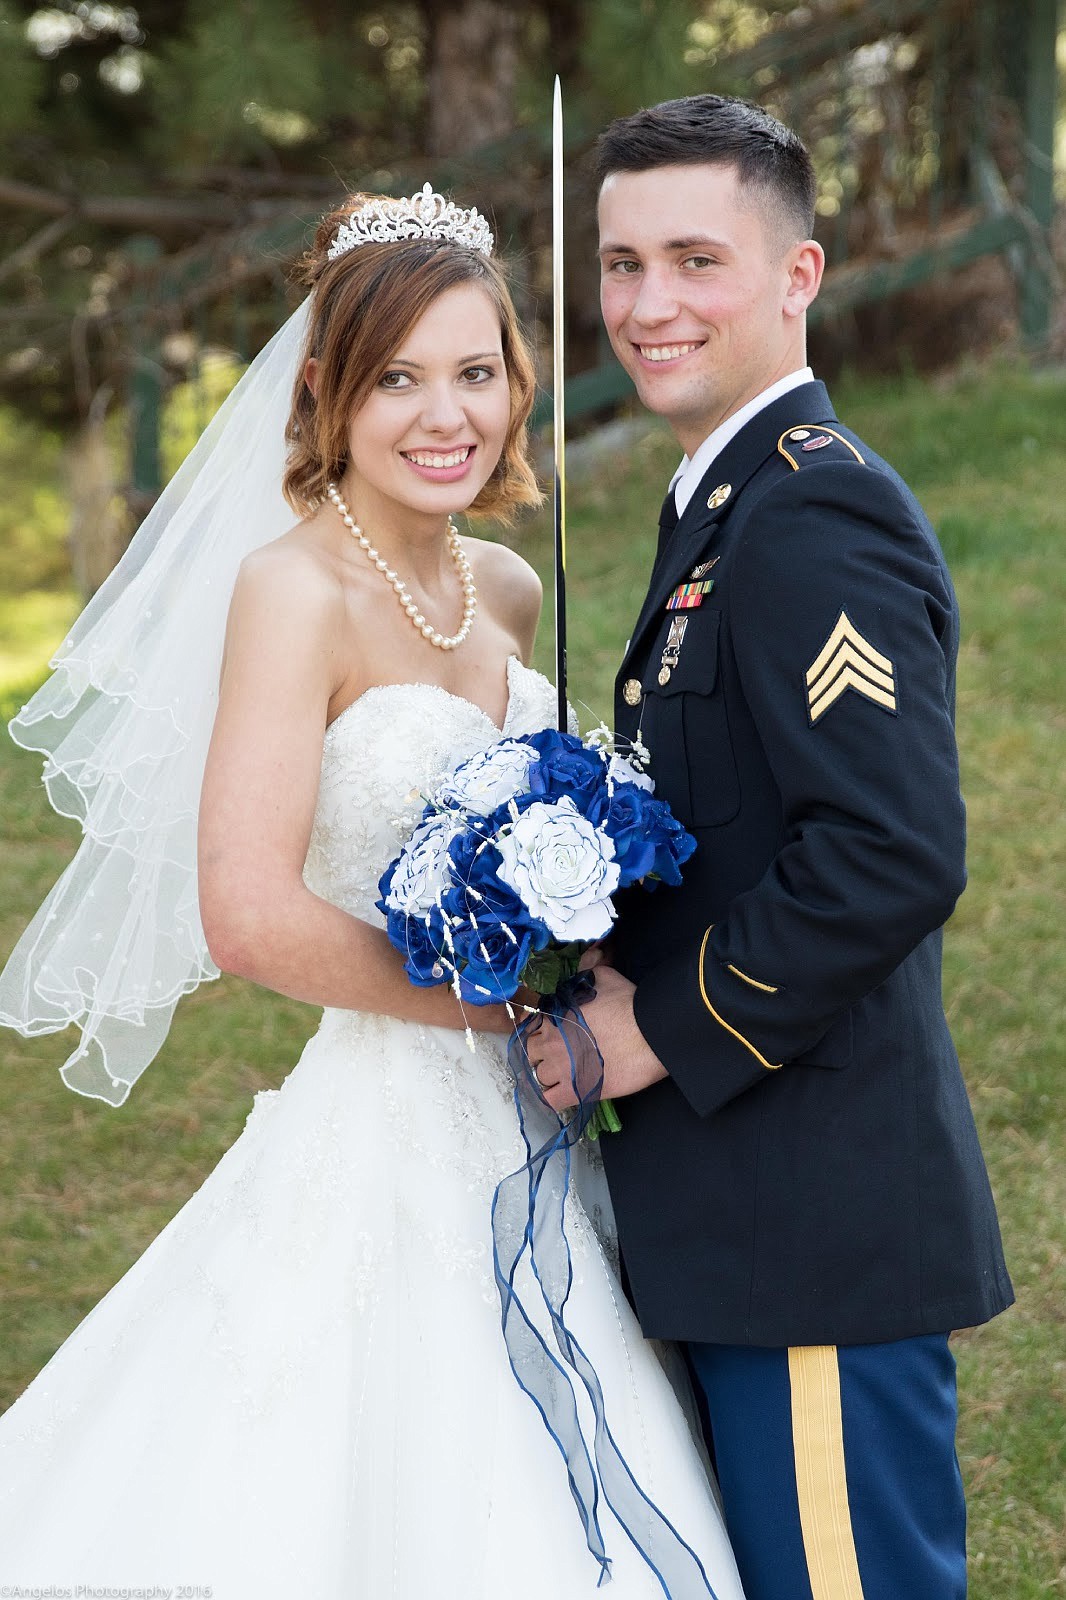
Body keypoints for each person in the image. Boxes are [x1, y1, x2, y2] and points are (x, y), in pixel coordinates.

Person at [0, 188, 746, 1598]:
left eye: (474, 372)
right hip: (398, 1110)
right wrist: (511, 1011)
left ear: (517, 383)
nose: (442, 413)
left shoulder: (509, 587)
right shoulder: (293, 592)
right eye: (397, 377)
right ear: (328, 391)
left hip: (547, 1115)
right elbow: (250, 914)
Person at [534, 96, 1014, 1600]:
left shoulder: (810, 517)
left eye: (695, 260)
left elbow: (885, 854)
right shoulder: (721, 510)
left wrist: (649, 1035)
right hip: (741, 1224)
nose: (647, 305)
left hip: (810, 1225)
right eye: (619, 266)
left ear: (797, 275)